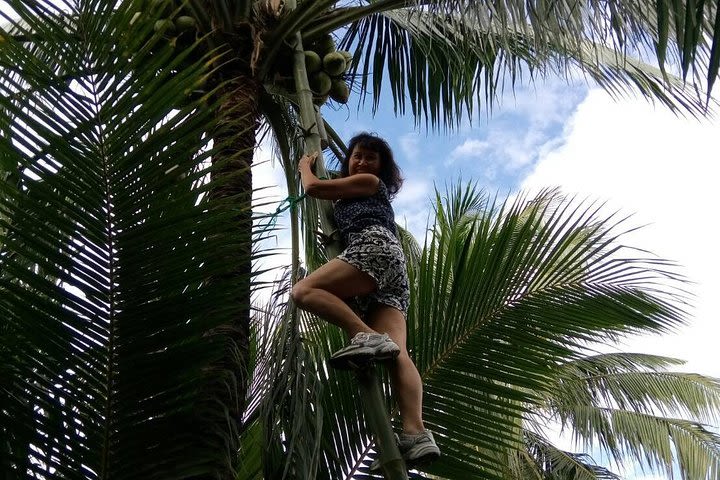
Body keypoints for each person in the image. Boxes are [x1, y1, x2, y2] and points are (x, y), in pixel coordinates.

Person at [291, 132, 440, 469]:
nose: (361, 161)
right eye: (357, 155)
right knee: (397, 354)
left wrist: (304, 167)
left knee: (303, 292)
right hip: (393, 270)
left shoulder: (370, 182)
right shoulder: (358, 193)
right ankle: (416, 434)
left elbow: (313, 189)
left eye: (370, 158)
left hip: (375, 250)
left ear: (380, 167)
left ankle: (364, 334)